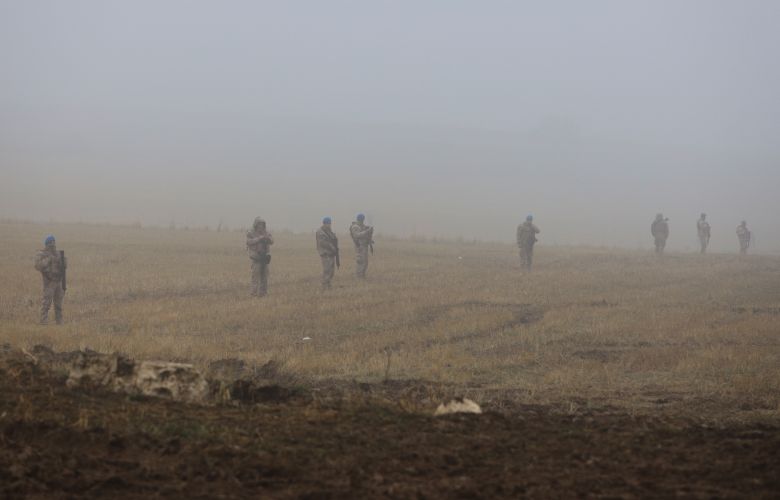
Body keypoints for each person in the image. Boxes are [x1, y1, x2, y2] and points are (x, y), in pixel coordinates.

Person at [34, 235, 67, 324]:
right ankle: (43, 321)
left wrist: (63, 260)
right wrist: (49, 259)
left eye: (53, 242)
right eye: (51, 242)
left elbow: (64, 267)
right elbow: (38, 266)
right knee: (46, 303)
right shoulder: (42, 254)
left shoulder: (58, 253)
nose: (53, 244)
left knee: (58, 304)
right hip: (49, 282)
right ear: (47, 244)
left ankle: (59, 321)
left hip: (59, 281)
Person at [246, 217, 274, 297]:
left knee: (264, 277)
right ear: (256, 225)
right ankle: (253, 293)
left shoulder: (266, 232)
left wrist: (267, 238)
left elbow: (272, 241)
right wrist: (259, 239)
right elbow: (248, 242)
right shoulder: (251, 233)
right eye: (259, 224)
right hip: (256, 258)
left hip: (265, 258)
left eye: (262, 224)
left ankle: (263, 293)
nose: (260, 226)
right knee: (255, 277)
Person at [316, 217, 339, 290]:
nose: (329, 225)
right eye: (328, 223)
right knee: (327, 270)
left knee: (331, 271)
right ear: (324, 223)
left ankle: (328, 284)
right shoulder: (320, 232)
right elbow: (323, 243)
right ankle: (325, 285)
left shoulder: (329, 231)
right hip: (325, 254)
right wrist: (332, 247)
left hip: (331, 254)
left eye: (329, 223)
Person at [349, 213, 374, 278]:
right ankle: (359, 276)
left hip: (364, 246)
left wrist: (370, 240)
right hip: (359, 246)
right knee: (360, 262)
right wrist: (367, 231)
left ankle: (362, 275)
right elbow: (357, 235)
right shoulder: (355, 227)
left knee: (365, 262)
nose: (362, 221)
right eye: (361, 219)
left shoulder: (362, 226)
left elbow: (364, 235)